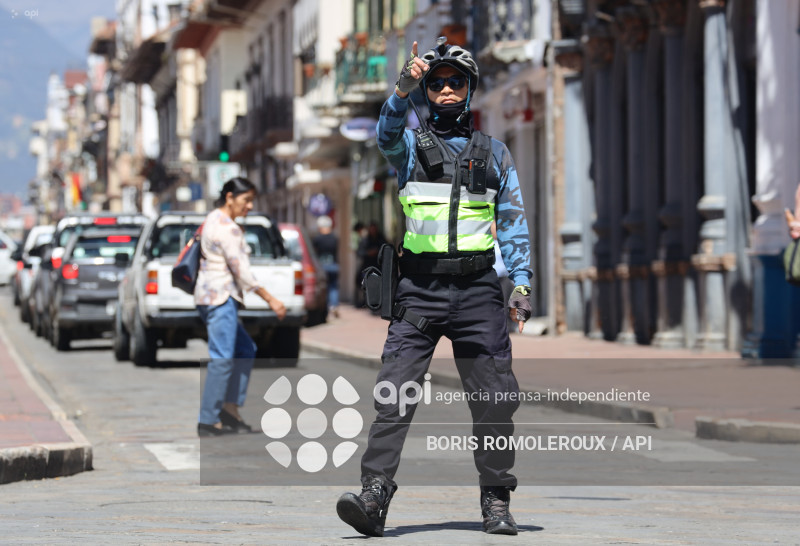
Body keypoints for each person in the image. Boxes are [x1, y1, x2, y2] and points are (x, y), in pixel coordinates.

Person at [336, 39, 533, 537]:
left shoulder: (496, 153)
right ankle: (374, 495)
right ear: (427, 91)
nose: (446, 89)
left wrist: (522, 283)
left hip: (478, 293)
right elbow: (384, 134)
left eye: (456, 82)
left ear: (469, 91)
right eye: (437, 82)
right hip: (418, 291)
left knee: (494, 400)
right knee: (393, 395)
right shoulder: (408, 149)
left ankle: (496, 500)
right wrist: (400, 91)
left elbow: (512, 224)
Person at [194, 177, 287, 437]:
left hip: (208, 296)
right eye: (245, 200)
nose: (249, 206)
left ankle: (229, 411)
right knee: (223, 357)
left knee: (244, 349)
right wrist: (272, 299)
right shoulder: (227, 228)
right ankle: (208, 419)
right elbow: (242, 272)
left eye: (251, 201)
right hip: (220, 298)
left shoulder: (212, 219)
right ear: (230, 198)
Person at [312, 215, 340, 318]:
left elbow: (314, 253)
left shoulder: (317, 239)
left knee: (324, 288)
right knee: (333, 287)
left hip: (322, 266)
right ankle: (334, 305)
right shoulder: (334, 238)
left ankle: (326, 308)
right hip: (333, 265)